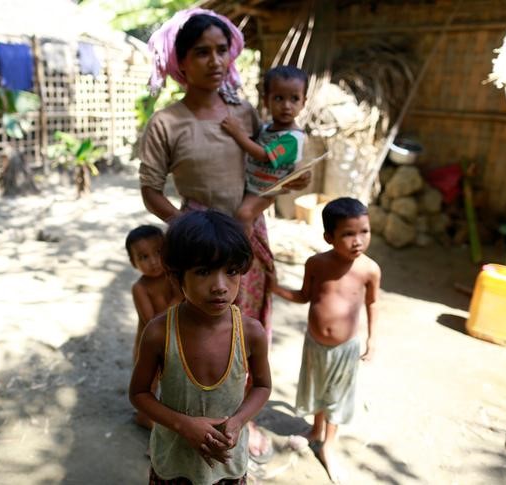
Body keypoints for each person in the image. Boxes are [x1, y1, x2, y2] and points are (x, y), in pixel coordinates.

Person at [139, 8, 310, 461]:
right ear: (181, 60)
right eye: (201, 52)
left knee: (244, 330)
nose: (215, 61)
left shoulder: (247, 113)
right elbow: (150, 191)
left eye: (221, 51)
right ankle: (184, 419)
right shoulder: (167, 123)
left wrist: (276, 192)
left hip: (245, 238)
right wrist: (188, 228)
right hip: (194, 246)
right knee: (195, 332)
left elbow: (267, 171)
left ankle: (239, 420)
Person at [129, 209, 271, 484]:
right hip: (173, 462)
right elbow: (139, 393)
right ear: (176, 277)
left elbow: (262, 386)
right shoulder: (159, 333)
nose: (220, 286)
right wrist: (184, 425)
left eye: (231, 271)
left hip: (227, 464)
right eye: (203, 272)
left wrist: (239, 420)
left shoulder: (251, 333)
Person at [270, 197, 381, 484]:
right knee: (318, 389)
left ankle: (328, 446)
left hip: (346, 349)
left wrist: (373, 340)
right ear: (328, 237)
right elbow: (304, 296)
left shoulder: (369, 270)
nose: (358, 240)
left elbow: (373, 304)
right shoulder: (316, 264)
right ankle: (315, 431)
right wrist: (276, 288)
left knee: (336, 397)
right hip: (315, 344)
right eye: (348, 233)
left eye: (364, 231)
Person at [221, 65, 307, 235]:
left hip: (266, 191)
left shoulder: (293, 138)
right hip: (253, 185)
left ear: (304, 102)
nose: (287, 106)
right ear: (266, 100)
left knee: (244, 214)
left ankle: (241, 251)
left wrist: (237, 133)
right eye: (279, 98)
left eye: (294, 99)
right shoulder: (266, 128)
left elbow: (263, 156)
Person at [126, 224, 183, 429]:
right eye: (143, 257)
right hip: (149, 347)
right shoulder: (139, 288)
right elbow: (153, 323)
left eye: (158, 252)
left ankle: (164, 417)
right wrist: (177, 298)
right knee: (148, 386)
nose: (153, 261)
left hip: (175, 343)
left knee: (174, 383)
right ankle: (144, 417)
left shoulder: (173, 276)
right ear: (133, 262)